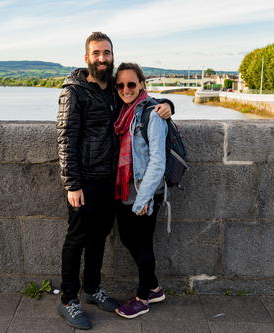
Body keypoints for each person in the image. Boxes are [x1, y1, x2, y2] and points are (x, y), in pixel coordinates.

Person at [56, 32, 172, 330]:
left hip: (111, 181)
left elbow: (143, 101)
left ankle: (93, 289)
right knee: (77, 238)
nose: (102, 58)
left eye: (106, 53)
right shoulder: (74, 91)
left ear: (112, 55)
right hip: (85, 179)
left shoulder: (113, 89)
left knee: (98, 238)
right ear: (87, 58)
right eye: (96, 53)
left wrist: (169, 103)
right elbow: (66, 138)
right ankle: (69, 299)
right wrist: (72, 183)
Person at [113, 63, 167, 319]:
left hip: (144, 192)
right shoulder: (123, 113)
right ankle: (154, 288)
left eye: (131, 84)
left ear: (142, 84)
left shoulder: (153, 115)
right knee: (127, 239)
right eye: (121, 85)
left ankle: (142, 297)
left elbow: (157, 162)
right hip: (126, 191)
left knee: (143, 245)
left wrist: (144, 198)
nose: (126, 89)